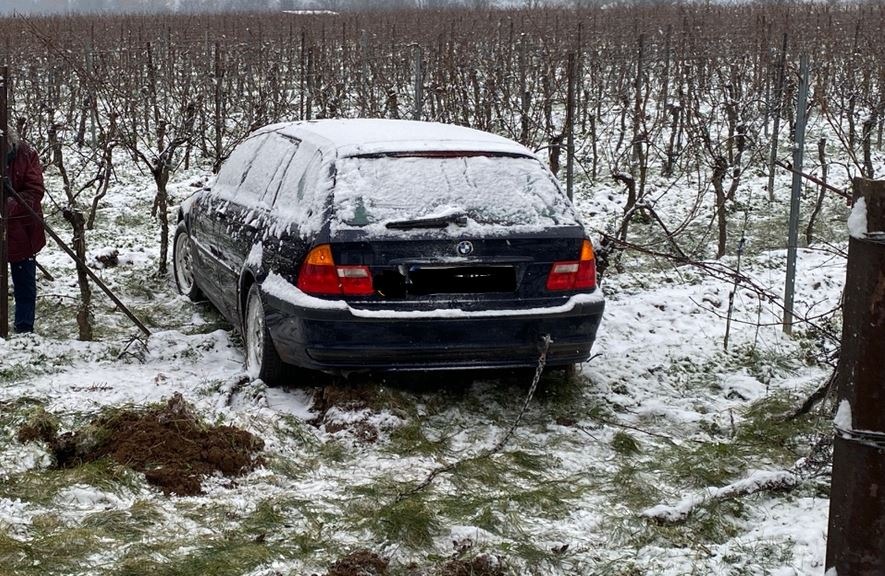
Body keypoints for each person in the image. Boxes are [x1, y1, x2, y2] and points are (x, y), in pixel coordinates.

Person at [4, 126, 46, 334]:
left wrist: (11, 204)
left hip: (23, 228)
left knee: (24, 283)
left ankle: (24, 327)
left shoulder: (27, 154)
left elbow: (35, 189)